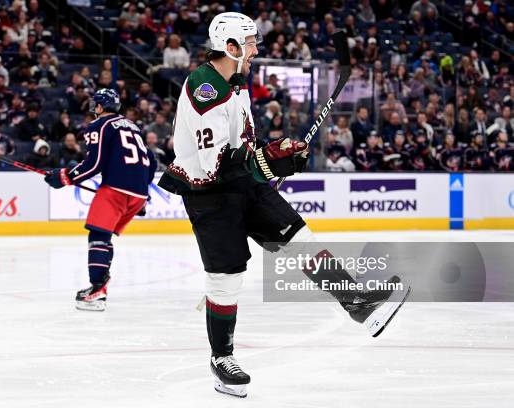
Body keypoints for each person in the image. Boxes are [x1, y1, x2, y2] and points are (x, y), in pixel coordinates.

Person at [157, 12, 409, 398]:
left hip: (242, 182)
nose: (257, 49)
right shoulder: (204, 90)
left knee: (298, 237)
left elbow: (242, 147)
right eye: (252, 43)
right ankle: (221, 359)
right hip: (209, 193)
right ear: (230, 47)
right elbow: (213, 166)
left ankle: (355, 303)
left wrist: (275, 153)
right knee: (227, 278)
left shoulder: (237, 82)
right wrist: (266, 162)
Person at [44, 89, 156, 312]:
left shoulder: (99, 126)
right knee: (104, 238)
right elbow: (151, 161)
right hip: (138, 192)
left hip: (116, 189)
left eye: (95, 104)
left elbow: (94, 164)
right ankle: (99, 286)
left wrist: (65, 177)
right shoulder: (133, 127)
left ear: (101, 106)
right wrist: (142, 192)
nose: (93, 108)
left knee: (98, 235)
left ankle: (97, 291)